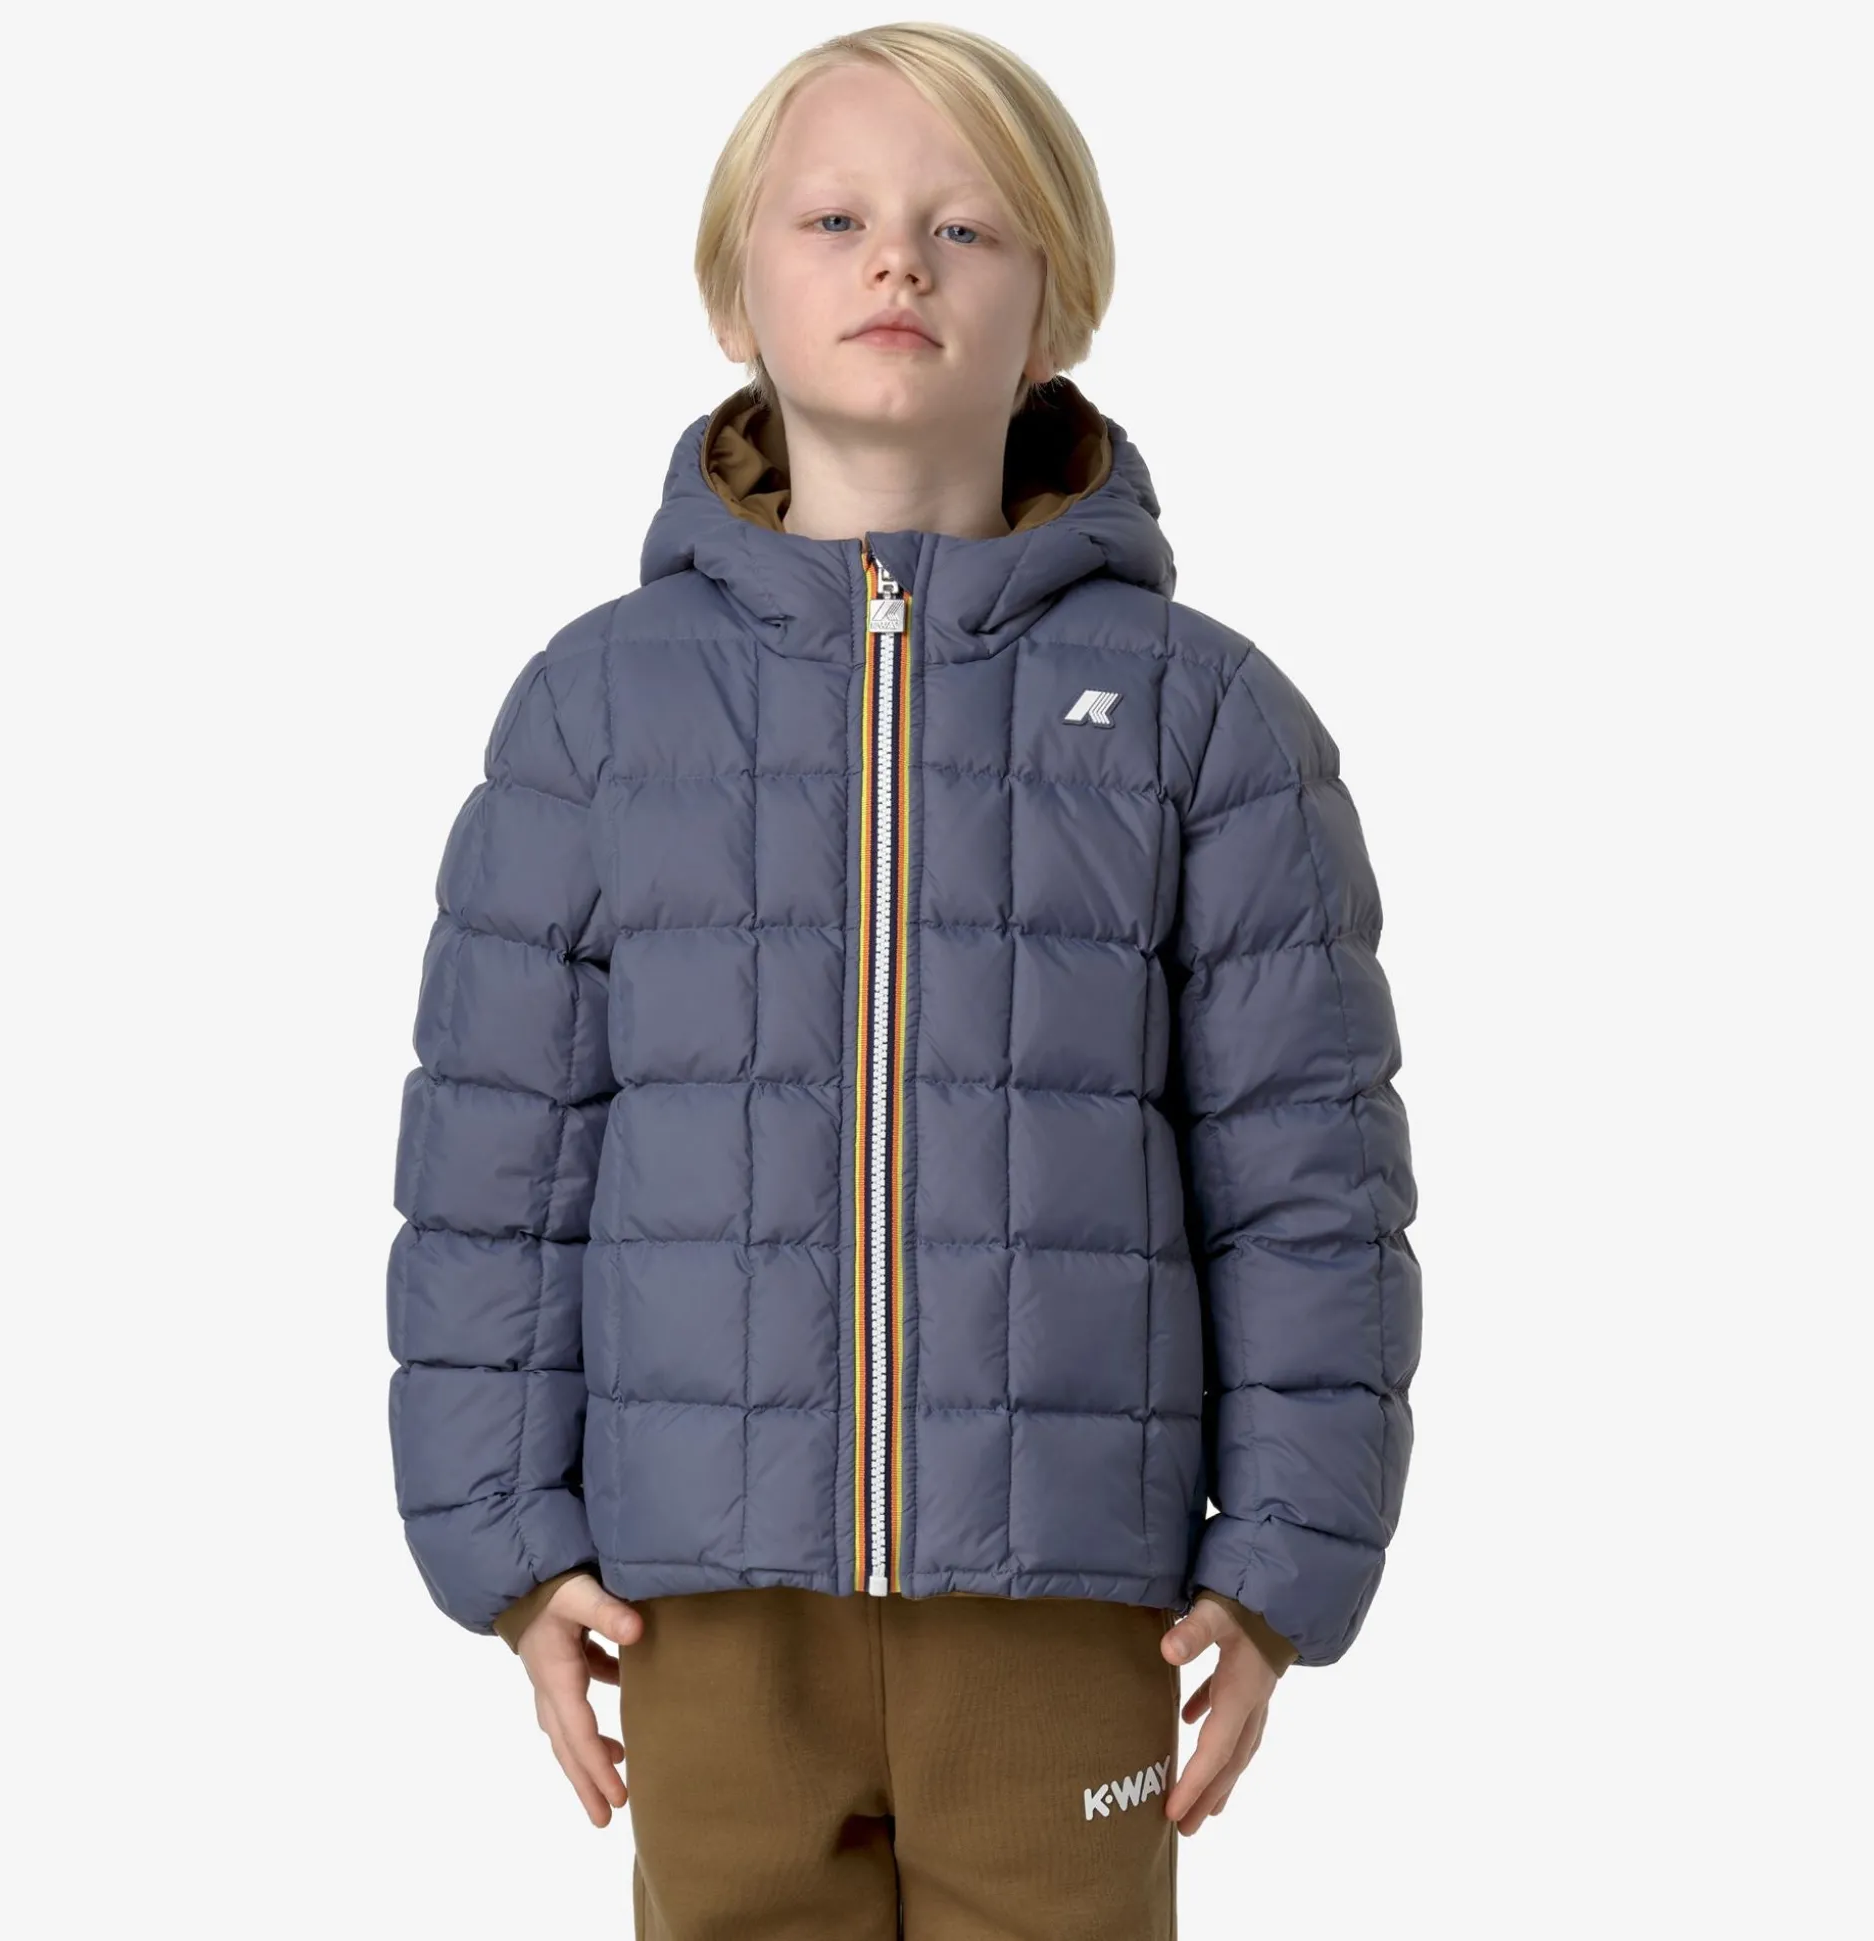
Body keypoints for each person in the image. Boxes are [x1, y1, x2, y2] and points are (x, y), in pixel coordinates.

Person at [384, 21, 1420, 1938]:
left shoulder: (1203, 721)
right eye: (835, 220)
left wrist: (1285, 1560)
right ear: (734, 298)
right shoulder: (594, 712)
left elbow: (1308, 1182)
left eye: (966, 228)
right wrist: (508, 1543)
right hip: (704, 1593)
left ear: (1054, 312)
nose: (898, 262)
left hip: (1071, 1593)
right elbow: (496, 1166)